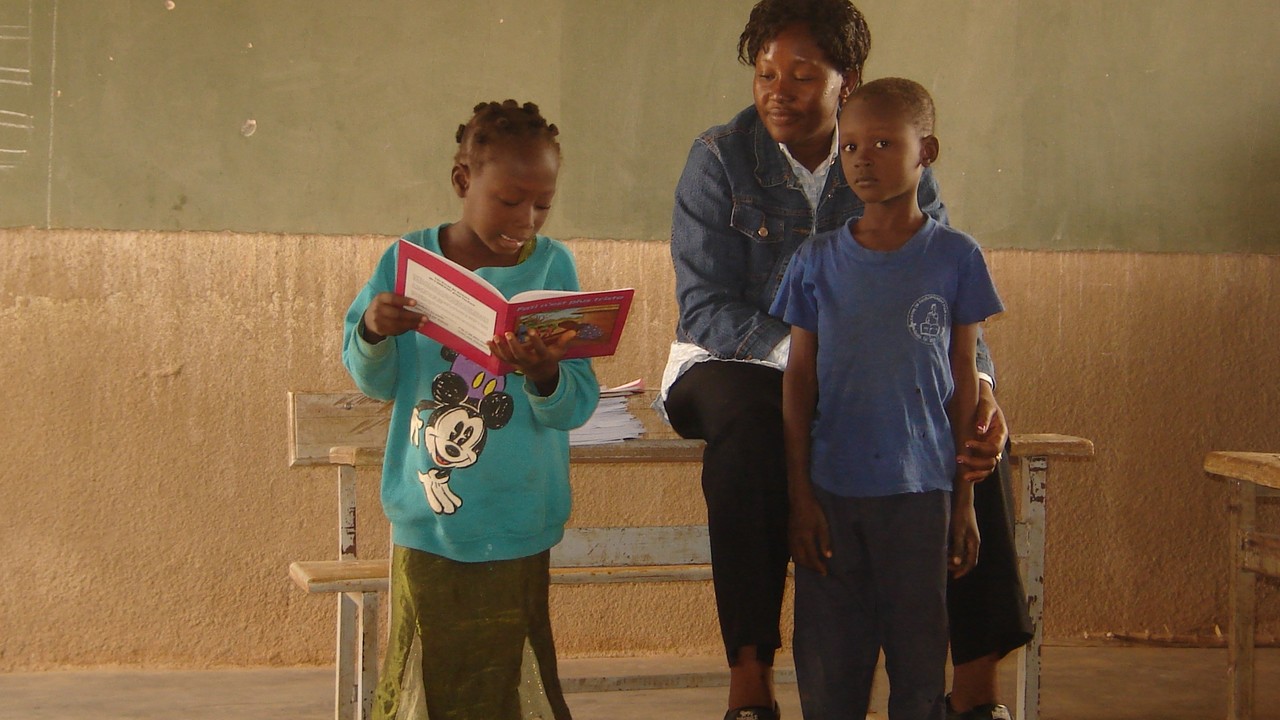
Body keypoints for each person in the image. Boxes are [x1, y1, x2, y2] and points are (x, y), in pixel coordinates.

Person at [660, 2, 1031, 719]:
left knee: (970, 433)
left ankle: (978, 691)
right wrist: (817, 360)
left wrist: (980, 382)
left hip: (859, 367)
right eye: (765, 73)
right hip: (731, 362)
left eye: (802, 75)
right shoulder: (719, 157)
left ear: (846, 80)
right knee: (753, 430)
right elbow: (705, 306)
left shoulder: (891, 148)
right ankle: (749, 684)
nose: (778, 91)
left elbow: (944, 292)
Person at [342, 99, 597, 720]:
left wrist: (543, 373)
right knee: (426, 675)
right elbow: (373, 380)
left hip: (518, 518)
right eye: (510, 200)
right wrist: (375, 330)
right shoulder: (407, 262)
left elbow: (576, 405)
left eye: (543, 203)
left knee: (509, 669)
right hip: (427, 522)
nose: (527, 219)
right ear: (464, 180)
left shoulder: (553, 265)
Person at [773, 76, 1004, 720]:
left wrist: (965, 505)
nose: (862, 159)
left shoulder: (956, 257)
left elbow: (962, 378)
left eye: (882, 143)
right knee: (830, 675)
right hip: (833, 497)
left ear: (925, 150)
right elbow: (798, 382)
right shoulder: (816, 261)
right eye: (849, 147)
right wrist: (800, 496)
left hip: (920, 498)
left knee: (919, 670)